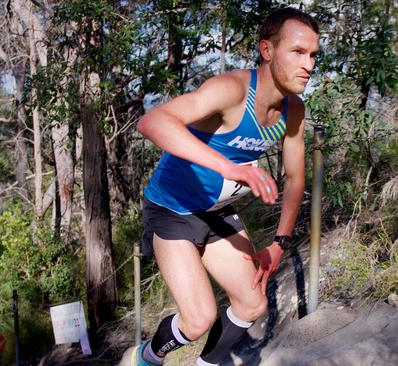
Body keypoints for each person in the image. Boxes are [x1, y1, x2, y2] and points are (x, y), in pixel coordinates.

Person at [133, 7, 319, 366]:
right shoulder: (231, 90)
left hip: (216, 212)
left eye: (313, 55)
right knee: (198, 319)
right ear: (267, 50)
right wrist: (231, 168)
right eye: (298, 52)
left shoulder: (294, 108)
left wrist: (279, 243)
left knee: (253, 303)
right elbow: (151, 122)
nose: (308, 64)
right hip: (173, 210)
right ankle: (147, 357)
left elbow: (295, 178)